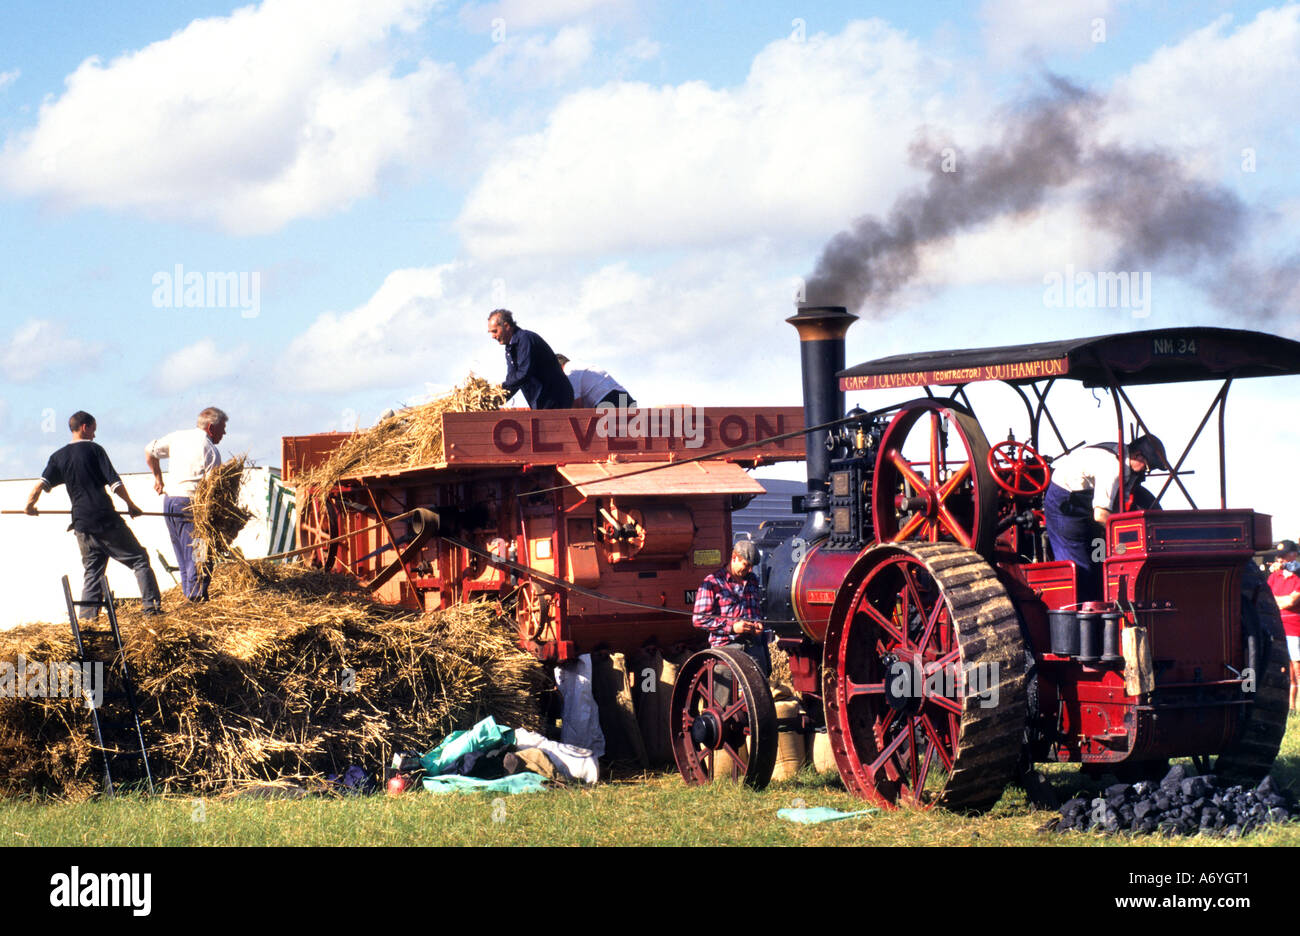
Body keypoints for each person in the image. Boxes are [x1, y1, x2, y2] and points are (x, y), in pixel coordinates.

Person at [25, 411, 162, 618]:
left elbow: (39, 486)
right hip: (105, 519)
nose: (95, 435)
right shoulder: (95, 450)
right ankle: (152, 610)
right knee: (139, 559)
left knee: (93, 573)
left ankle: (87, 622)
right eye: (94, 430)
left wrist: (29, 506)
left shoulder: (58, 457)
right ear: (85, 427)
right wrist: (131, 505)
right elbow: (115, 484)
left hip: (81, 525)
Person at [1044, 434, 1170, 601]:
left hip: (1085, 502)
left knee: (1099, 558)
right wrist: (1124, 538)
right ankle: (1080, 612)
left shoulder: (1127, 465)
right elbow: (1101, 515)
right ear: (1138, 455)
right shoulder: (1111, 468)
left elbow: (1121, 503)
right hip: (1066, 505)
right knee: (1080, 567)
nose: (1145, 474)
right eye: (1147, 468)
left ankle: (1101, 601)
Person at [145, 407, 227, 601]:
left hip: (170, 503)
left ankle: (189, 596)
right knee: (200, 551)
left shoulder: (178, 437)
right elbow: (212, 489)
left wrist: (158, 478)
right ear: (210, 427)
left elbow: (149, 450)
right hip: (192, 505)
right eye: (222, 429)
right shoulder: (210, 450)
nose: (224, 433)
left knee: (183, 554)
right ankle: (197, 598)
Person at [692, 540, 770, 677]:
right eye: (746, 565)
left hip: (753, 645)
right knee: (724, 696)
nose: (750, 570)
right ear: (734, 558)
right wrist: (732, 627)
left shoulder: (752, 580)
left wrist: (758, 623)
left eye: (752, 566)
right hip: (726, 647)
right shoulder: (712, 582)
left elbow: (756, 609)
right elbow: (699, 619)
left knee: (760, 693)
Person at [487, 309, 574, 410]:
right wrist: (495, 398)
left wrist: (500, 388)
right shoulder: (509, 349)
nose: (493, 336)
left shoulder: (525, 339)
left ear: (506, 326)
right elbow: (513, 380)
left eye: (494, 331)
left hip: (555, 398)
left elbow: (524, 373)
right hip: (541, 402)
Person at [1267, 539, 1300, 711]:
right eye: (1280, 557)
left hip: (1294, 627)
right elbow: (1269, 601)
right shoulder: (1274, 576)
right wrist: (1281, 601)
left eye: (1285, 556)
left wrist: (1277, 601)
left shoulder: (1298, 576)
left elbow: (1292, 601)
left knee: (1296, 665)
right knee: (1282, 667)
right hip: (1277, 624)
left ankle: (1294, 705)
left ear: (1294, 555)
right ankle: (1289, 706)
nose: (1282, 560)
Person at [554, 354, 636, 409]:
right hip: (624, 398)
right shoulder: (579, 365)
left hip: (610, 401)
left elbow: (576, 407)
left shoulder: (569, 370)